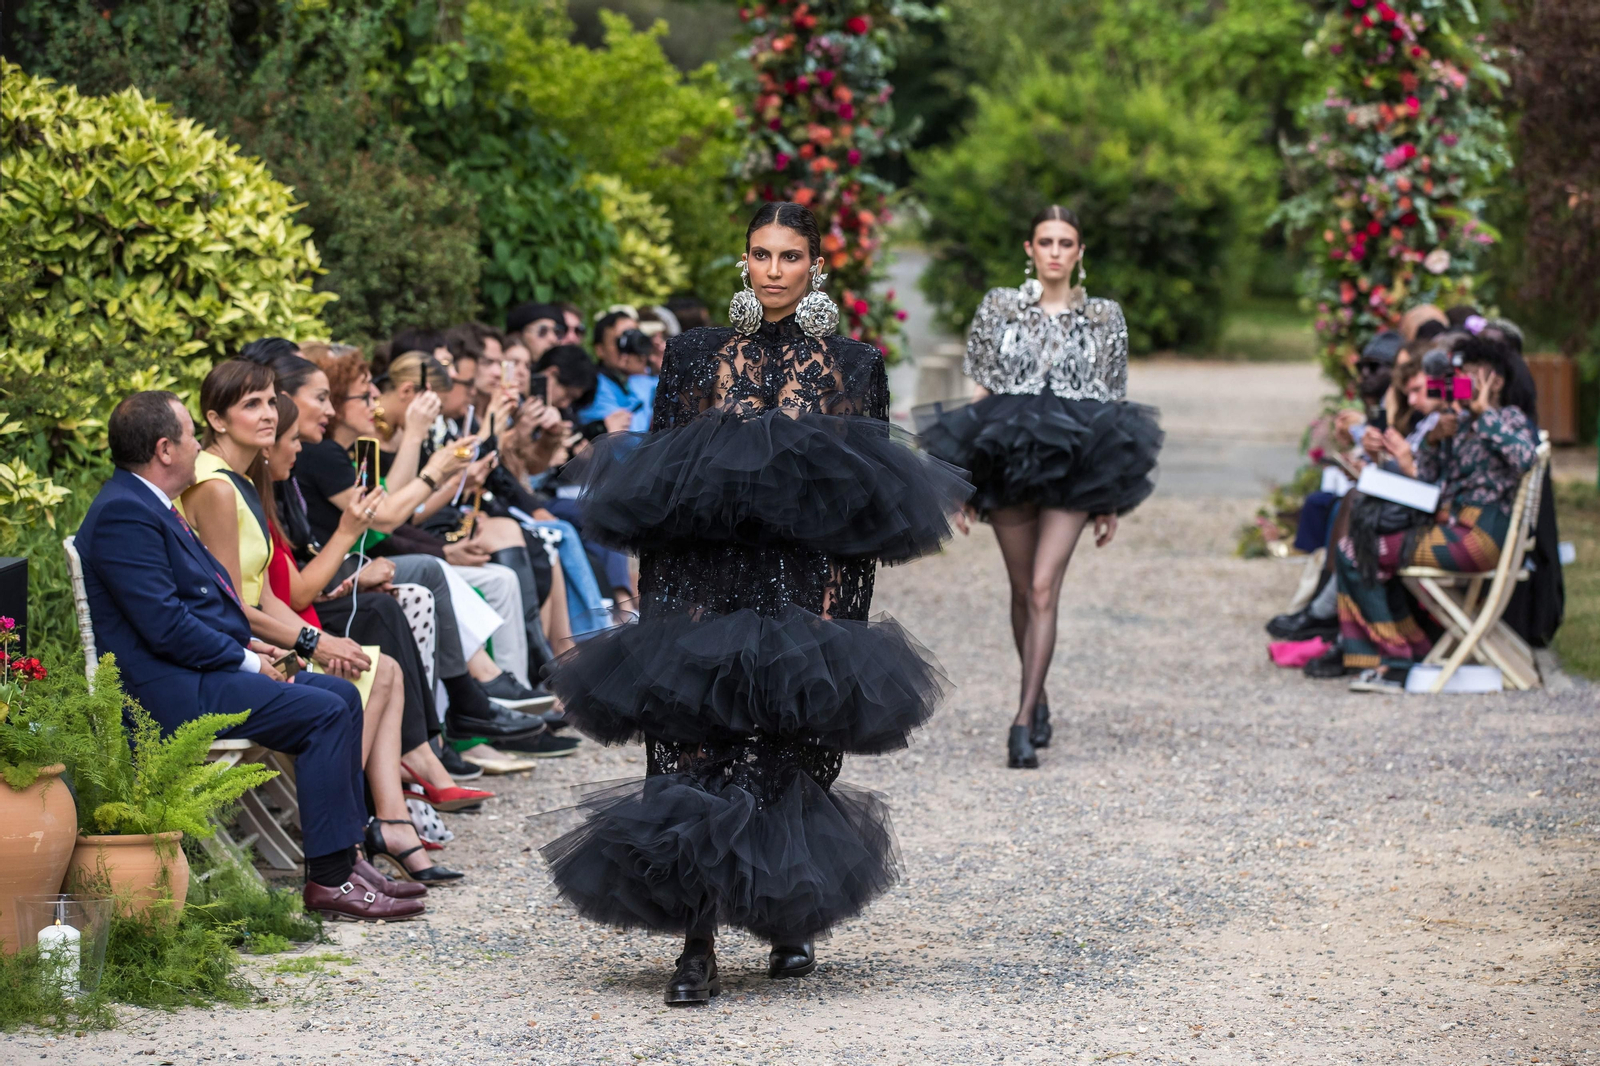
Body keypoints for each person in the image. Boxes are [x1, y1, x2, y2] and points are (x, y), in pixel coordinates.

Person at [538, 202, 967, 1005]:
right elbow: (657, 487)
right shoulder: (696, 357)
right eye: (761, 255)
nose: (773, 270)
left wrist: (845, 616)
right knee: (691, 748)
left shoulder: (853, 364)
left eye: (790, 256)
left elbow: (864, 509)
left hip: (802, 582)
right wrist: (661, 609)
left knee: (793, 747)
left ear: (816, 267)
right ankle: (695, 942)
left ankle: (787, 911)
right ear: (744, 261)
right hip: (707, 580)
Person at [76, 390, 423, 920]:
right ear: (165, 449)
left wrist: (248, 644)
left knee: (337, 694)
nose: (199, 444)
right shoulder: (125, 512)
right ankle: (329, 881)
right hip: (163, 693)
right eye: (192, 434)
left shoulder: (149, 503)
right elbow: (167, 627)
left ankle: (346, 860)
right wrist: (245, 661)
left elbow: (200, 604)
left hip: (192, 673)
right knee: (325, 709)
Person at [179, 361, 468, 886]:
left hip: (257, 644)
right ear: (215, 420)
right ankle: (344, 837)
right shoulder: (215, 486)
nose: (267, 415)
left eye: (270, 402)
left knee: (380, 670)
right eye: (252, 405)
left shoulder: (240, 484)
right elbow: (229, 607)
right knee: (362, 680)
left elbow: (265, 592)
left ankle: (386, 825)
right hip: (236, 656)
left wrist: (325, 642)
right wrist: (313, 641)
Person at [920, 205, 1163, 770]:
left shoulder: (1104, 316)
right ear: (1029, 249)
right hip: (1007, 456)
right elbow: (980, 391)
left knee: (1045, 588)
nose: (1055, 251)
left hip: (1079, 461)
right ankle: (1041, 690)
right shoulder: (999, 307)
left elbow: (1112, 396)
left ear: (1081, 253)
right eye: (1046, 241)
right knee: (1021, 588)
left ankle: (1022, 719)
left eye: (1066, 242)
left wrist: (1109, 493)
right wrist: (963, 480)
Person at [248, 343, 565, 760]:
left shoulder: (299, 462)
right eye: (363, 395)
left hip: (302, 622)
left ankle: (457, 730)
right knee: (418, 589)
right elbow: (384, 520)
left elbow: (386, 518)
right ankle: (451, 730)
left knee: (480, 570)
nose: (375, 402)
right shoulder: (288, 465)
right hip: (279, 651)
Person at [259, 391, 497, 818]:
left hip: (301, 613)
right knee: (407, 592)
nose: (300, 447)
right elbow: (385, 519)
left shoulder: (280, 484)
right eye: (360, 394)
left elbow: (290, 575)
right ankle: (364, 814)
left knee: (409, 601)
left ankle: (396, 807)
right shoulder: (277, 478)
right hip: (275, 639)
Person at [1330, 336, 1540, 693]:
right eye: (1460, 377)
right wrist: (1429, 443)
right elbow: (1428, 484)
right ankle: (1407, 652)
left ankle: (1397, 662)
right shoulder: (1454, 422)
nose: (1463, 385)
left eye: (1472, 377)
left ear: (1497, 381)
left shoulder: (1507, 418)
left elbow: (1526, 458)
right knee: (1357, 548)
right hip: (1455, 530)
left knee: (1356, 552)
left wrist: (1484, 410)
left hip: (1479, 539)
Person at [575, 310, 648, 432]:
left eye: (634, 337)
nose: (629, 348)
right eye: (621, 341)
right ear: (600, 350)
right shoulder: (594, 386)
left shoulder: (634, 382)